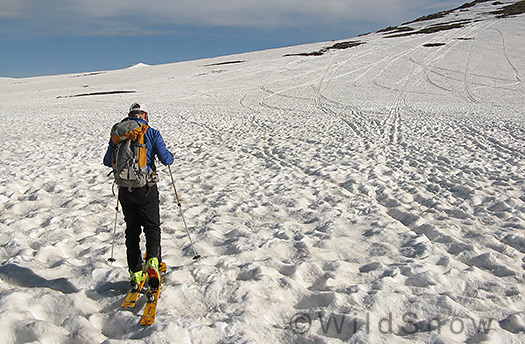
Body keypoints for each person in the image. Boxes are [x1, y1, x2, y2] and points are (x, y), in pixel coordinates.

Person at [104, 102, 174, 290]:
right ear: (145, 115)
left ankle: (135, 272)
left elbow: (106, 161)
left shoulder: (119, 132)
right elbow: (166, 159)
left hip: (125, 190)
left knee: (132, 231)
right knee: (152, 227)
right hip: (147, 188)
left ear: (130, 115)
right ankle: (152, 262)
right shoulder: (151, 132)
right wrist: (170, 156)